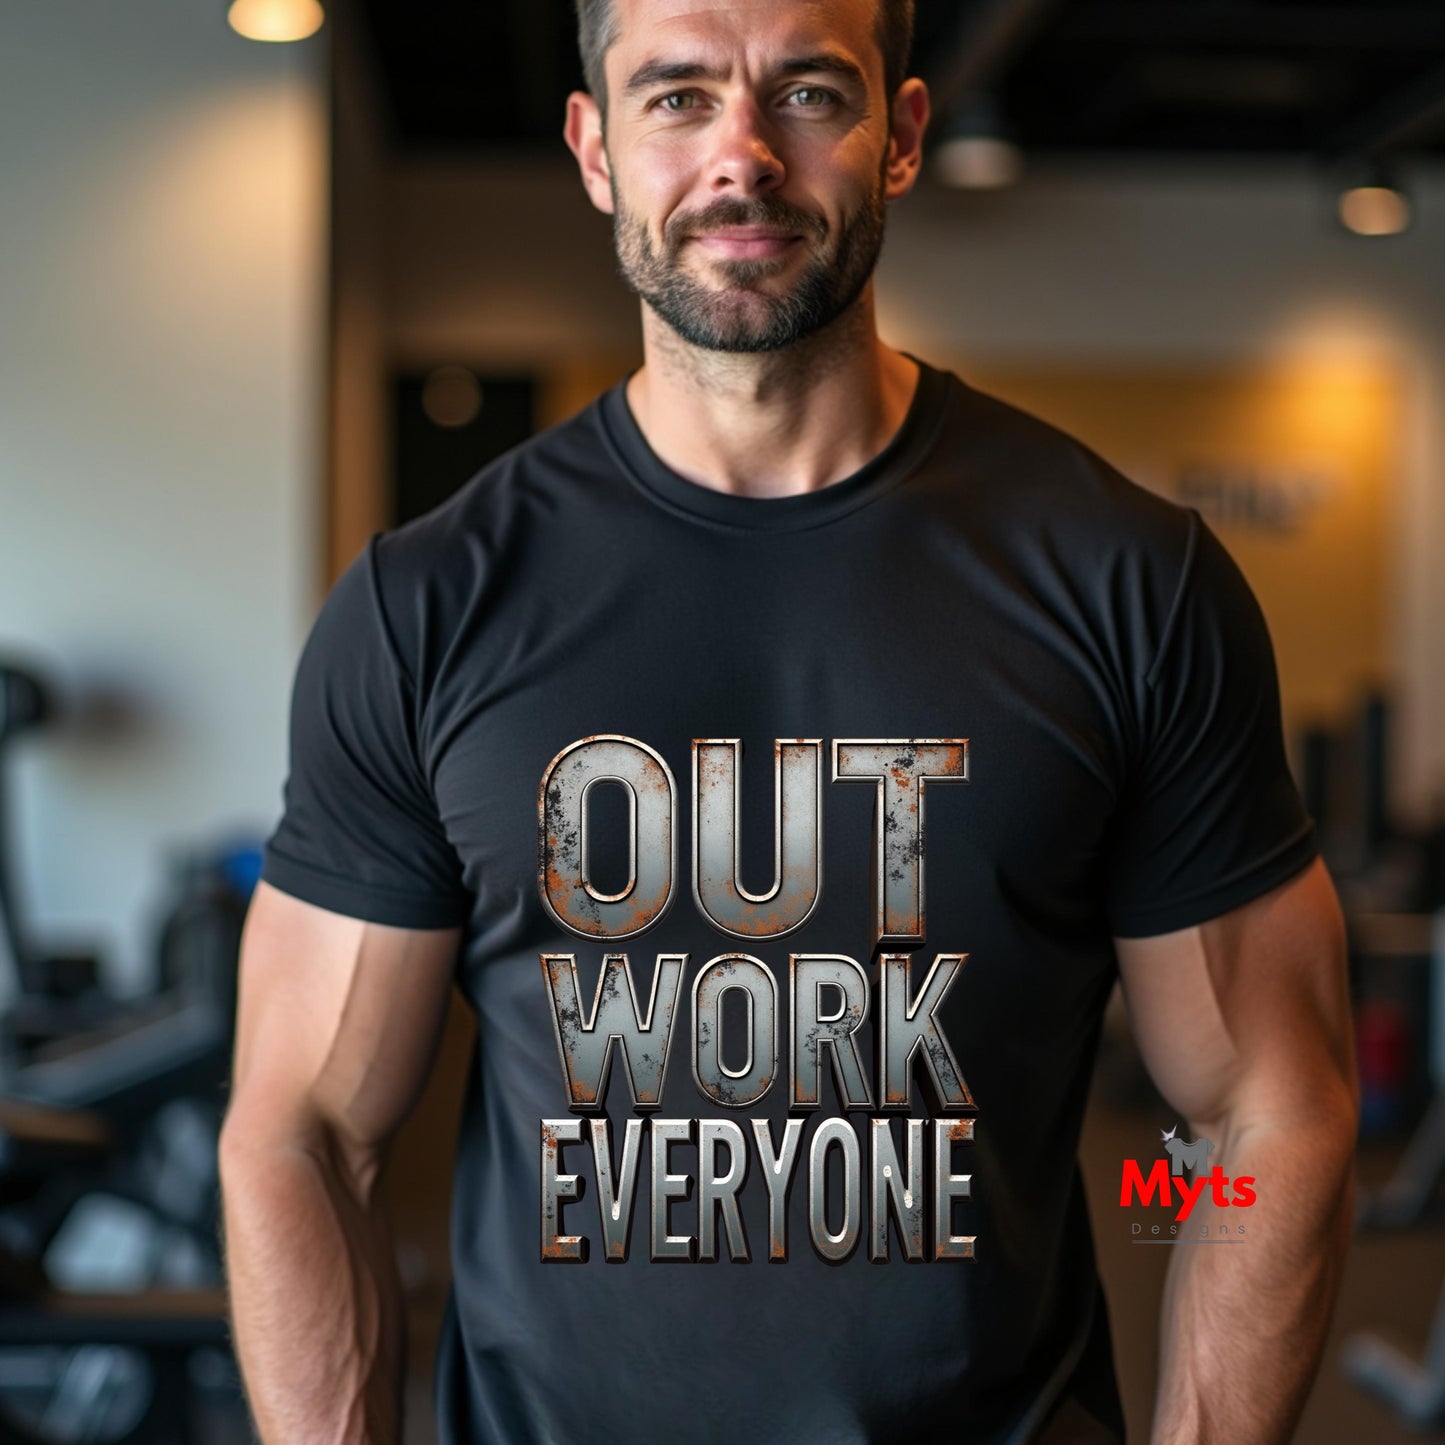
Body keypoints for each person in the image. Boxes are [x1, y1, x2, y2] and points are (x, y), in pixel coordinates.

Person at [217, 0, 1359, 1440]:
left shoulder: (1124, 581)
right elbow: (306, 1134)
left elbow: (1262, 1125)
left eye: (808, 92)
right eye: (676, 97)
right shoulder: (428, 604)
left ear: (902, 138)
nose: (740, 157)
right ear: (594, 148)